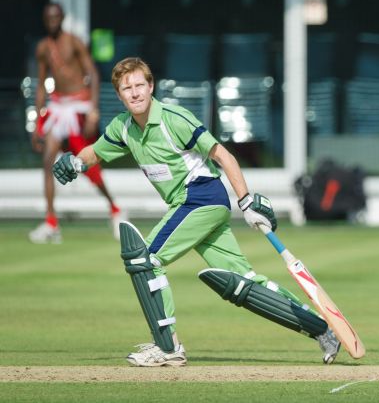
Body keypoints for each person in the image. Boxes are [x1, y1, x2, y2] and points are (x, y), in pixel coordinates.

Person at [51, 57, 340, 367]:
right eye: (126, 88)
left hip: (201, 197)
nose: (134, 93)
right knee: (243, 284)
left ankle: (168, 347)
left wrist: (245, 201)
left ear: (151, 87)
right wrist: (78, 162)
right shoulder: (123, 128)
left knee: (145, 260)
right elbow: (96, 150)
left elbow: (223, 155)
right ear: (119, 94)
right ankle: (322, 330)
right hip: (192, 206)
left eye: (139, 86)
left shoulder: (173, 119)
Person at [30, 2, 124, 243]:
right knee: (48, 159)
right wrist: (37, 122)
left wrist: (93, 111)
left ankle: (115, 209)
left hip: (79, 107)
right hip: (58, 107)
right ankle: (51, 222)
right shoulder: (43, 48)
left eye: (55, 17)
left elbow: (92, 74)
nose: (52, 21)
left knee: (88, 165)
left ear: (61, 18)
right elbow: (41, 85)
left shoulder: (74, 41)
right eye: (47, 17)